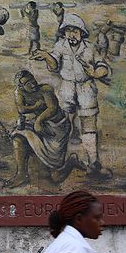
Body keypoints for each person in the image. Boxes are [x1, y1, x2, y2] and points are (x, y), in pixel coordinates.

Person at [32, 13, 111, 178]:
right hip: (67, 88)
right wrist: (47, 56)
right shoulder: (60, 46)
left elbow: (104, 67)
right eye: (68, 31)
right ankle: (60, 163)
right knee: (63, 125)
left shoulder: (90, 48)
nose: (71, 35)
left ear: (82, 33)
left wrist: (95, 73)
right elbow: (54, 67)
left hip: (86, 88)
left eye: (75, 31)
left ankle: (93, 163)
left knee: (88, 126)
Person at [6, 70, 72, 188]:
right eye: (28, 83)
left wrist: (39, 120)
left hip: (56, 127)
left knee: (54, 176)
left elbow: (52, 109)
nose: (32, 84)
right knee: (18, 138)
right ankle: (21, 174)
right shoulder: (19, 92)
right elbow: (21, 109)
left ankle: (71, 162)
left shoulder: (45, 89)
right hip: (38, 123)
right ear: (21, 86)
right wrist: (36, 106)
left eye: (32, 80)